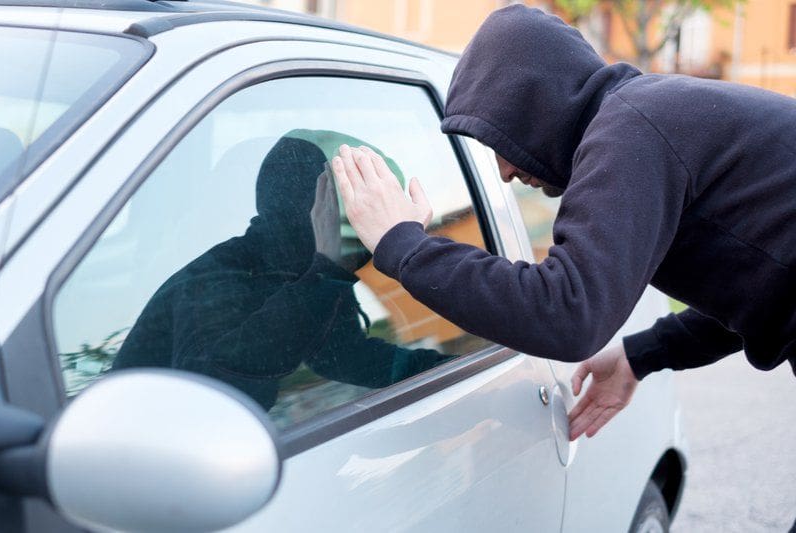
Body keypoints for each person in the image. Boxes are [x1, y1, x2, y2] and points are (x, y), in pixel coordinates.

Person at [332, 5, 795, 442]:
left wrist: (404, 246)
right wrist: (644, 353)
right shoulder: (654, 117)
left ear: (534, 104)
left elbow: (568, 315)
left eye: (499, 138)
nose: (504, 172)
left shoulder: (632, 126)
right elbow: (765, 283)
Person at [113, 132, 450, 411]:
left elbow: (339, 356)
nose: (363, 228)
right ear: (316, 205)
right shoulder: (217, 276)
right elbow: (218, 387)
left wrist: (437, 370)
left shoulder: (306, 267)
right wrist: (326, 271)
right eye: (344, 204)